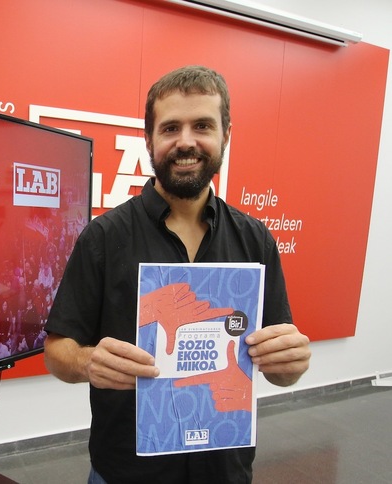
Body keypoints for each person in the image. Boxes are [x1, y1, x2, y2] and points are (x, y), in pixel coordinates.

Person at [43, 65, 311, 484]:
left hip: (224, 470)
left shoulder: (255, 239)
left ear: (225, 135)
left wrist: (291, 363)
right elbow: (57, 348)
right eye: (170, 128)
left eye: (202, 125)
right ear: (149, 141)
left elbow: (279, 368)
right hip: (128, 472)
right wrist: (86, 361)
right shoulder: (104, 237)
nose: (186, 142)